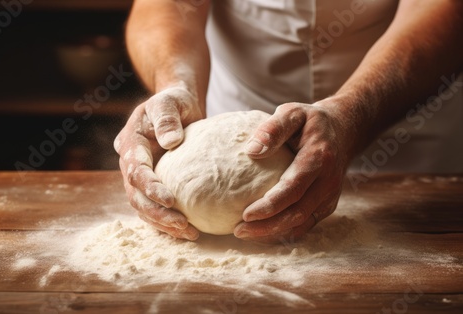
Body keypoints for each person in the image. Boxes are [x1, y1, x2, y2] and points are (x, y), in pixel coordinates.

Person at [114, 0, 463, 243]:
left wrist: (352, 114)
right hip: (234, 113)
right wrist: (177, 85)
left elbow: (442, 7)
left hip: (405, 121)